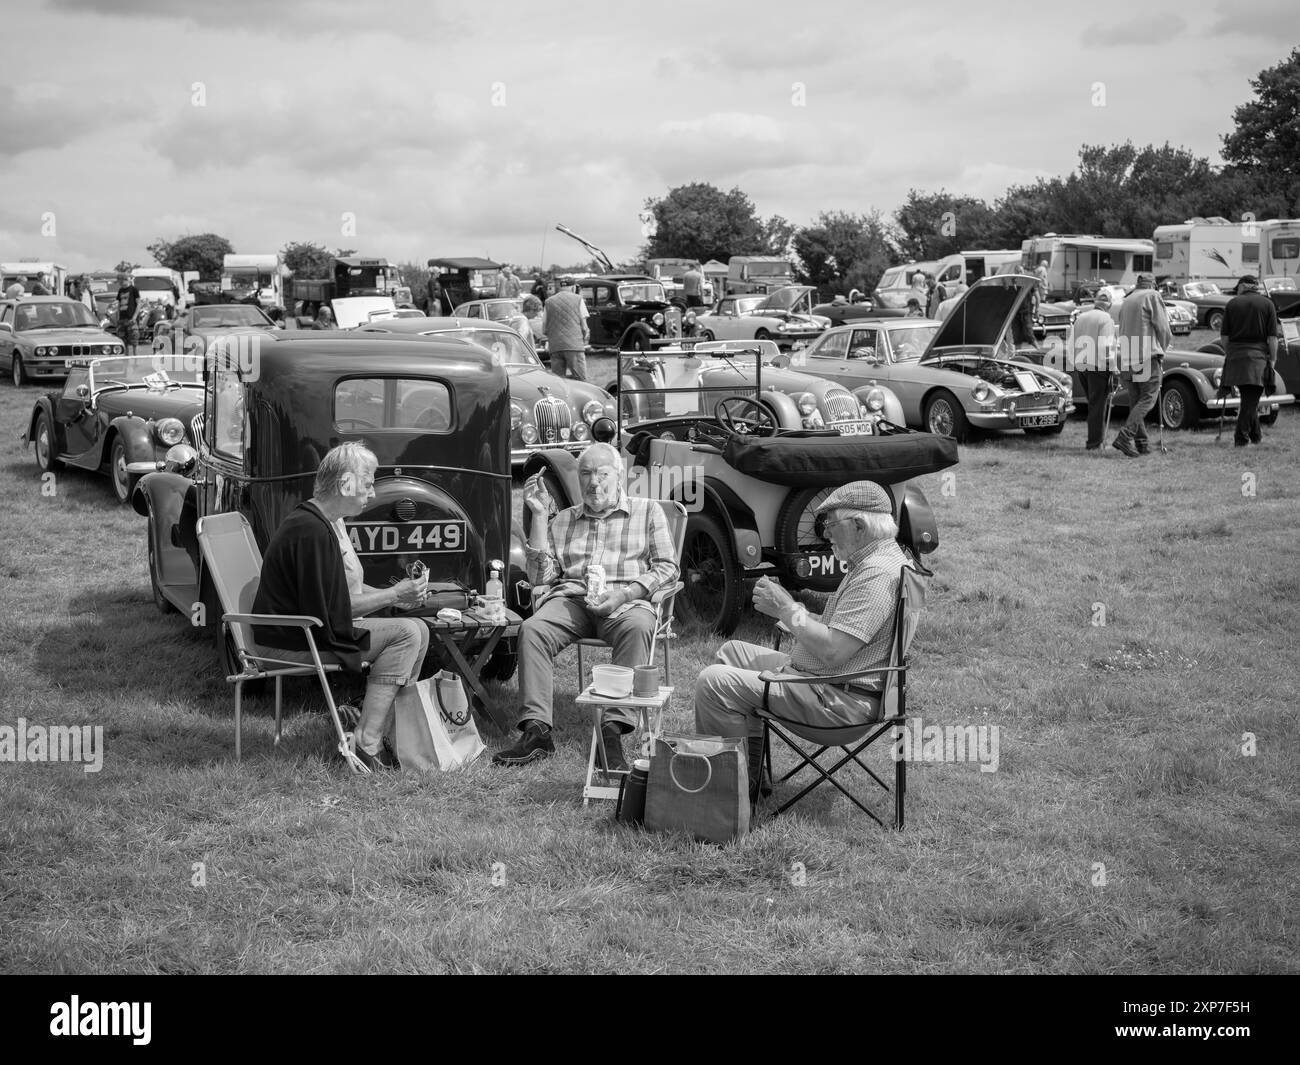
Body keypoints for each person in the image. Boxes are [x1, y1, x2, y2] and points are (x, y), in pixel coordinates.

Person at [695, 481, 917, 803]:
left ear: (859, 525)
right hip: (833, 686)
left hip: (838, 702)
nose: (824, 534)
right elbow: (838, 631)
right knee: (733, 652)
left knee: (713, 682)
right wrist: (793, 611)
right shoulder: (881, 562)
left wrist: (786, 609)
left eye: (830, 524)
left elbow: (832, 650)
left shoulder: (876, 575)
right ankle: (752, 778)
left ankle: (727, 796)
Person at [493, 443, 679, 770]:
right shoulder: (564, 520)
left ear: (618, 476)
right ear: (578, 479)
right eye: (586, 474)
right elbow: (541, 576)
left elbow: (667, 568)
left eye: (602, 474)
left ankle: (611, 731)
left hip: (625, 601)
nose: (594, 482)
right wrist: (538, 516)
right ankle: (536, 731)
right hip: (573, 601)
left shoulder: (648, 511)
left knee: (638, 627)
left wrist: (625, 595)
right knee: (533, 628)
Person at [251, 443, 430, 772]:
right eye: (368, 483)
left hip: (307, 630)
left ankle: (379, 730)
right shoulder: (312, 531)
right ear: (345, 484)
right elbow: (332, 611)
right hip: (291, 640)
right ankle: (366, 742)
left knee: (420, 629)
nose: (373, 494)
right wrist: (392, 595)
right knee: (406, 634)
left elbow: (343, 592)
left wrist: (398, 594)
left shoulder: (328, 521)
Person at [1111, 273, 1172, 457]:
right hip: (1146, 355)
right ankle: (1125, 436)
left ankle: (1142, 444)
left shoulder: (1128, 300)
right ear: (1152, 284)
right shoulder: (1152, 296)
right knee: (1148, 399)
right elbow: (1162, 327)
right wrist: (1164, 347)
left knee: (1137, 402)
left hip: (1128, 357)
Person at [1219, 275, 1280, 447]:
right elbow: (1272, 338)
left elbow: (1224, 337)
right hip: (1258, 358)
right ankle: (1241, 439)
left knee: (1248, 398)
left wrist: (1231, 352)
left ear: (1244, 286)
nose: (1236, 289)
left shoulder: (1232, 304)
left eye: (1238, 286)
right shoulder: (1267, 304)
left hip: (1236, 357)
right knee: (1250, 400)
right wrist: (1273, 359)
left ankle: (1256, 437)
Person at [1071, 288, 1118, 450]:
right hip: (1098, 366)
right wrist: (1113, 368)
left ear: (1095, 302)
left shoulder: (1081, 317)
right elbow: (1106, 346)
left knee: (1094, 404)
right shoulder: (1106, 319)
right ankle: (1095, 443)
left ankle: (1095, 440)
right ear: (1109, 305)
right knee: (1098, 405)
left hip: (1081, 365)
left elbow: (1072, 342)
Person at [541, 281, 590, 380]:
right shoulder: (578, 299)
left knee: (559, 381)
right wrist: (584, 339)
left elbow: (544, 329)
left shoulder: (548, 302)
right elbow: (584, 327)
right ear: (573, 288)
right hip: (574, 345)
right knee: (580, 379)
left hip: (555, 346)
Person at [114, 272, 141, 356]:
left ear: (125, 280)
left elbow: (139, 304)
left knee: (134, 340)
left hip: (131, 319)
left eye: (120, 281)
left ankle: (136, 359)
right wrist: (118, 317)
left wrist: (134, 317)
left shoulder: (134, 289)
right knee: (123, 341)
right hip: (122, 319)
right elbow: (119, 304)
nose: (120, 283)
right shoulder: (121, 290)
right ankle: (126, 359)